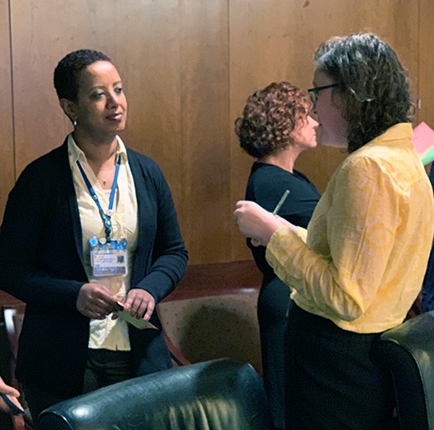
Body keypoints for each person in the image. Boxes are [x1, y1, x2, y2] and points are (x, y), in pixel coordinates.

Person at [234, 33, 434, 430]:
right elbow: (346, 260)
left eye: (317, 91)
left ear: (350, 93)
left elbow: (345, 296)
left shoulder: (367, 167)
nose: (312, 106)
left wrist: (274, 233)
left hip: (335, 363)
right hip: (364, 354)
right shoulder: (406, 157)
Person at [0, 49, 188, 425]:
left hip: (138, 351)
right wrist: (74, 295)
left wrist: (149, 288)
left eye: (118, 89)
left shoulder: (147, 172)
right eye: (98, 94)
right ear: (70, 106)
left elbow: (174, 252)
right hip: (62, 356)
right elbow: (9, 269)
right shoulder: (40, 180)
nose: (115, 102)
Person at [234, 81, 320, 430]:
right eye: (306, 115)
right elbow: (331, 228)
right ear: (285, 125)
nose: (315, 121)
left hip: (290, 299)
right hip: (286, 301)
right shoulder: (271, 182)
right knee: (289, 408)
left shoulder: (287, 177)